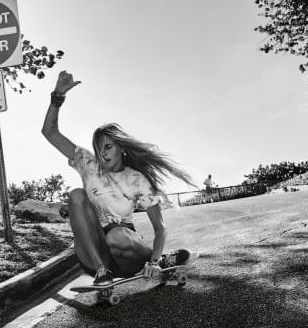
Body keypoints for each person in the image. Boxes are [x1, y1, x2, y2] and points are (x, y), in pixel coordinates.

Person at [42, 71, 197, 286]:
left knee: (116, 236)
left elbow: (160, 229)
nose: (102, 154)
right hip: (94, 252)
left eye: (108, 147)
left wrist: (151, 261)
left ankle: (158, 260)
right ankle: (101, 272)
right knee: (76, 194)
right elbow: (49, 132)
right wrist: (58, 96)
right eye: (99, 149)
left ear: (121, 147)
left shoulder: (137, 180)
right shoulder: (89, 164)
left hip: (127, 254)